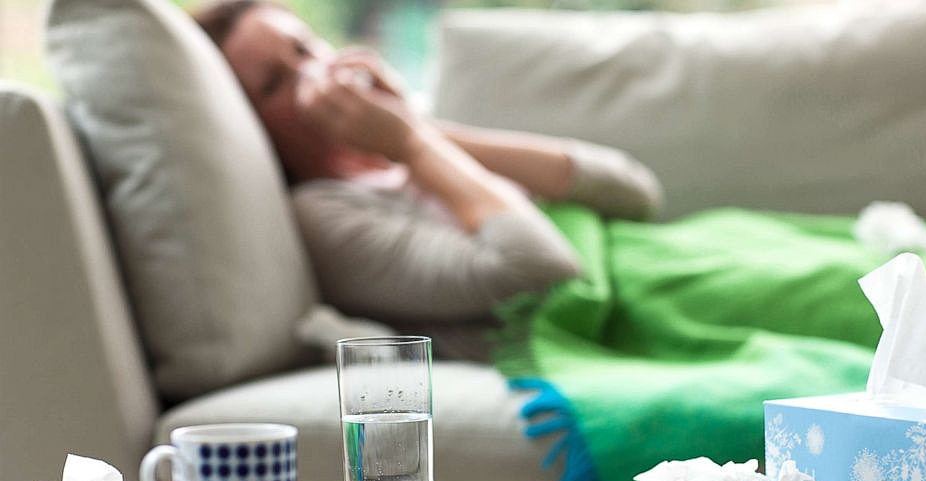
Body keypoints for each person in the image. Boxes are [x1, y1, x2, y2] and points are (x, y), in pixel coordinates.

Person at [192, 0, 663, 360]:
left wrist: (418, 131)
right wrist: (411, 144)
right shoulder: (324, 215)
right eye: (274, 82)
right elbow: (541, 274)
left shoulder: (417, 150)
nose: (311, 74)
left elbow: (634, 191)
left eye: (304, 48)